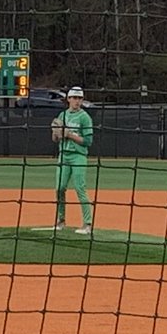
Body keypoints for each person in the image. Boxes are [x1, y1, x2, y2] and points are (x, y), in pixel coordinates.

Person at [53, 87, 95, 234]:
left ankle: (87, 224)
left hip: (78, 155)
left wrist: (69, 134)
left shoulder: (85, 117)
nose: (77, 101)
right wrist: (56, 133)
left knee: (80, 188)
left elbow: (88, 141)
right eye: (74, 98)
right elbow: (56, 138)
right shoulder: (62, 115)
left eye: (79, 98)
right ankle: (61, 220)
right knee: (59, 188)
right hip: (63, 154)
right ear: (69, 99)